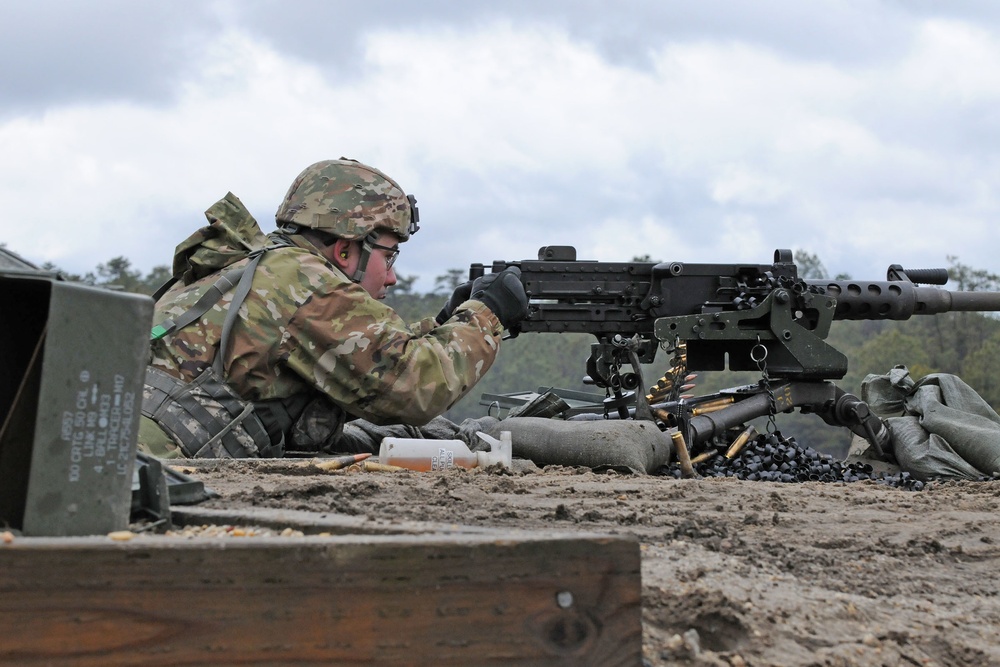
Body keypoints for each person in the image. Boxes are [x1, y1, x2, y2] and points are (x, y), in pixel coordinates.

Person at [139, 158, 528, 459]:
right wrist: (487, 313)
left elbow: (366, 358)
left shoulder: (253, 267)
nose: (392, 277)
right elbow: (413, 386)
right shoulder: (303, 280)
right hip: (157, 467)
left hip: (125, 452)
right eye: (389, 256)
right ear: (345, 250)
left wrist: (444, 324)